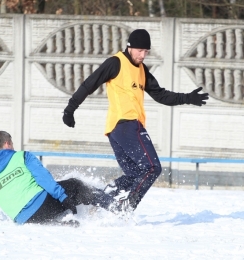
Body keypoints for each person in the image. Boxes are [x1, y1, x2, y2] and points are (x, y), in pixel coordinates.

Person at [62, 29, 209, 211]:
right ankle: (127, 206)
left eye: (146, 52)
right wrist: (70, 110)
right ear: (130, 47)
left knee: (135, 174)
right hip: (126, 125)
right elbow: (89, 84)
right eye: (139, 50)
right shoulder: (115, 63)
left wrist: (187, 98)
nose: (142, 55)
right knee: (152, 168)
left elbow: (159, 94)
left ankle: (103, 199)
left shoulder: (142, 70)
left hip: (118, 130)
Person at [0, 131, 118, 226]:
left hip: (22, 220)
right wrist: (63, 198)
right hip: (43, 206)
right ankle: (116, 207)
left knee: (60, 198)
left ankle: (61, 223)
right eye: (12, 143)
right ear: (7, 144)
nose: (13, 147)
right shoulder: (22, 157)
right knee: (75, 184)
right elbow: (44, 179)